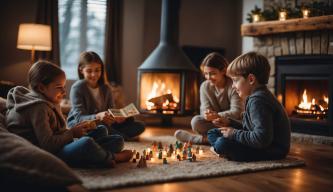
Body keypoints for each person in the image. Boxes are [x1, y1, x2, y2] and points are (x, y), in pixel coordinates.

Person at [6, 61, 132, 168]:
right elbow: (48, 145)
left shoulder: (49, 100)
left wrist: (76, 130)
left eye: (64, 87)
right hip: (50, 154)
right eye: (59, 87)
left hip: (60, 144)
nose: (64, 92)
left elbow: (58, 131)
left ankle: (95, 156)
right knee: (86, 143)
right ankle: (111, 157)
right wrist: (72, 133)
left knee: (111, 136)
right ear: (41, 88)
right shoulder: (38, 108)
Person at [207, 52, 291, 161]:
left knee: (222, 143)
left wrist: (234, 133)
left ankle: (221, 150)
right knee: (213, 133)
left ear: (251, 79)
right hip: (264, 145)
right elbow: (250, 128)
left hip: (272, 151)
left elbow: (261, 139)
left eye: (235, 80)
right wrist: (230, 123)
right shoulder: (257, 96)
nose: (233, 86)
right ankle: (222, 150)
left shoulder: (258, 101)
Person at [67, 51, 145, 140]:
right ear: (81, 70)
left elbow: (111, 109)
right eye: (89, 71)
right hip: (83, 125)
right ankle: (122, 137)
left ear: (102, 69)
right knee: (102, 128)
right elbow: (79, 118)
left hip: (105, 123)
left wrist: (117, 117)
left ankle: (115, 135)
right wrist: (98, 116)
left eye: (97, 70)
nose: (94, 74)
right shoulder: (77, 87)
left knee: (138, 124)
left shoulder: (106, 88)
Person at [174, 52, 243, 144]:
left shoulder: (233, 86)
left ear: (223, 71)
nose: (208, 77)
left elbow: (237, 112)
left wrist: (218, 115)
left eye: (212, 73)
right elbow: (204, 111)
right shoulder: (205, 86)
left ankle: (199, 140)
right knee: (196, 121)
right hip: (215, 123)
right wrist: (209, 115)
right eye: (206, 74)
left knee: (240, 128)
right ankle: (219, 138)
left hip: (233, 123)